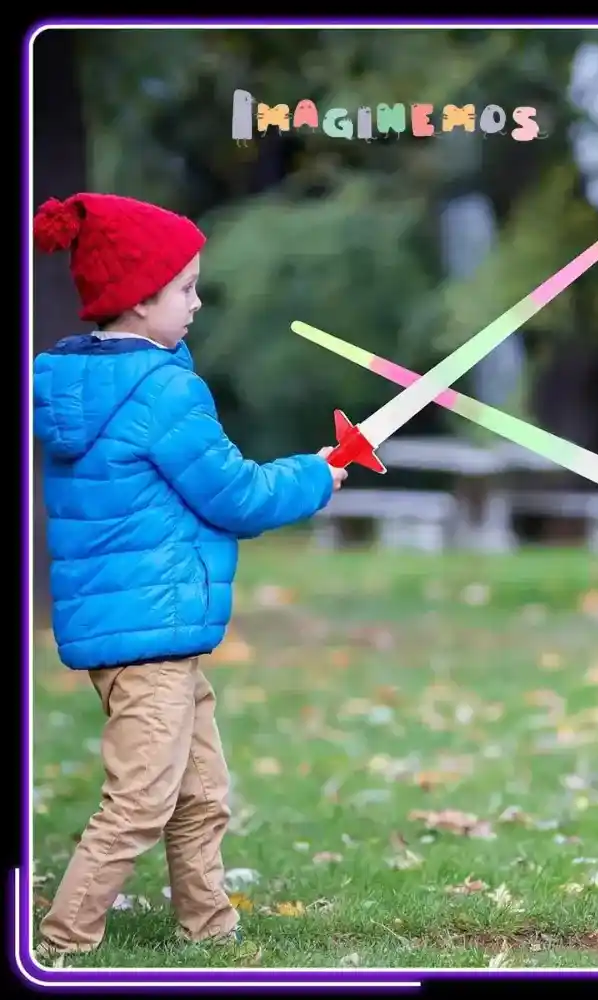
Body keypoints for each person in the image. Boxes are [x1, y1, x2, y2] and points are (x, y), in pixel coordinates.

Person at [31, 192, 347, 962]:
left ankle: (209, 924)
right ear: (139, 301)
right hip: (152, 631)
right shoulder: (164, 393)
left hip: (142, 630)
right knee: (140, 801)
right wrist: (317, 474)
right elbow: (236, 495)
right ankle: (63, 941)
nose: (198, 303)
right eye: (186, 288)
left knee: (200, 792)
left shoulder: (80, 382)